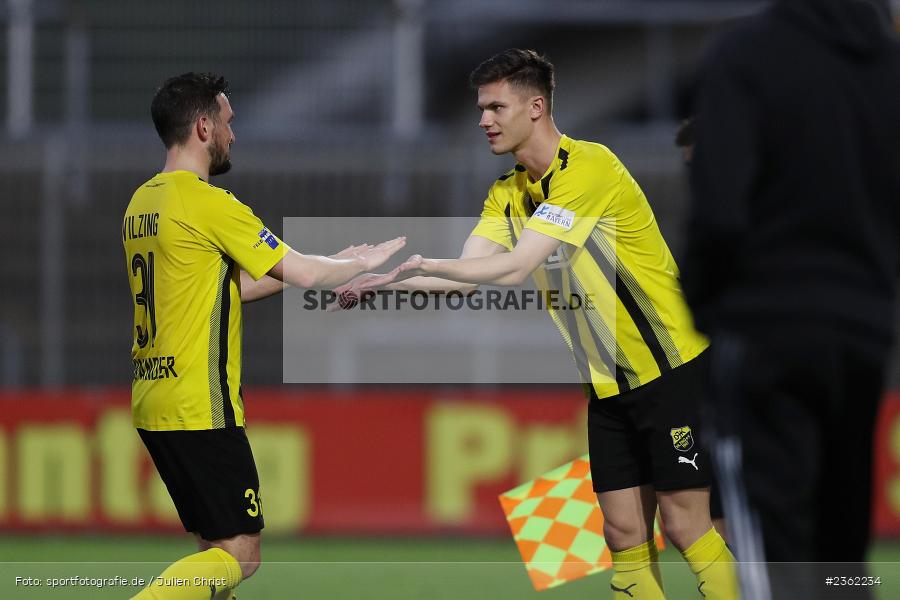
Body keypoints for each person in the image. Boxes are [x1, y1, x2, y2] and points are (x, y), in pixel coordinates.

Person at [350, 49, 738, 599]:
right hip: (608, 388)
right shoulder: (506, 193)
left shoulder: (589, 167)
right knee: (624, 535)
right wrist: (383, 285)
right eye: (480, 108)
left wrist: (429, 263)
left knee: (685, 527)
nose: (483, 119)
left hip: (672, 370)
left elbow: (512, 267)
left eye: (494, 106)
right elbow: (468, 275)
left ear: (536, 107)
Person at [123, 72, 406, 600]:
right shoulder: (207, 202)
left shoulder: (143, 203)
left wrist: (333, 263)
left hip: (153, 397)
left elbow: (220, 289)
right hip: (200, 403)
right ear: (204, 127)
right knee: (240, 555)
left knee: (215, 550)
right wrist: (355, 265)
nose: (235, 134)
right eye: (229, 123)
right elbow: (303, 274)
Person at [683, 1, 900, 598]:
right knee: (841, 557)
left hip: (764, 332)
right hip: (862, 336)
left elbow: (719, 211)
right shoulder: (888, 64)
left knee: (775, 561)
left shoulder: (746, 54)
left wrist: (704, 305)